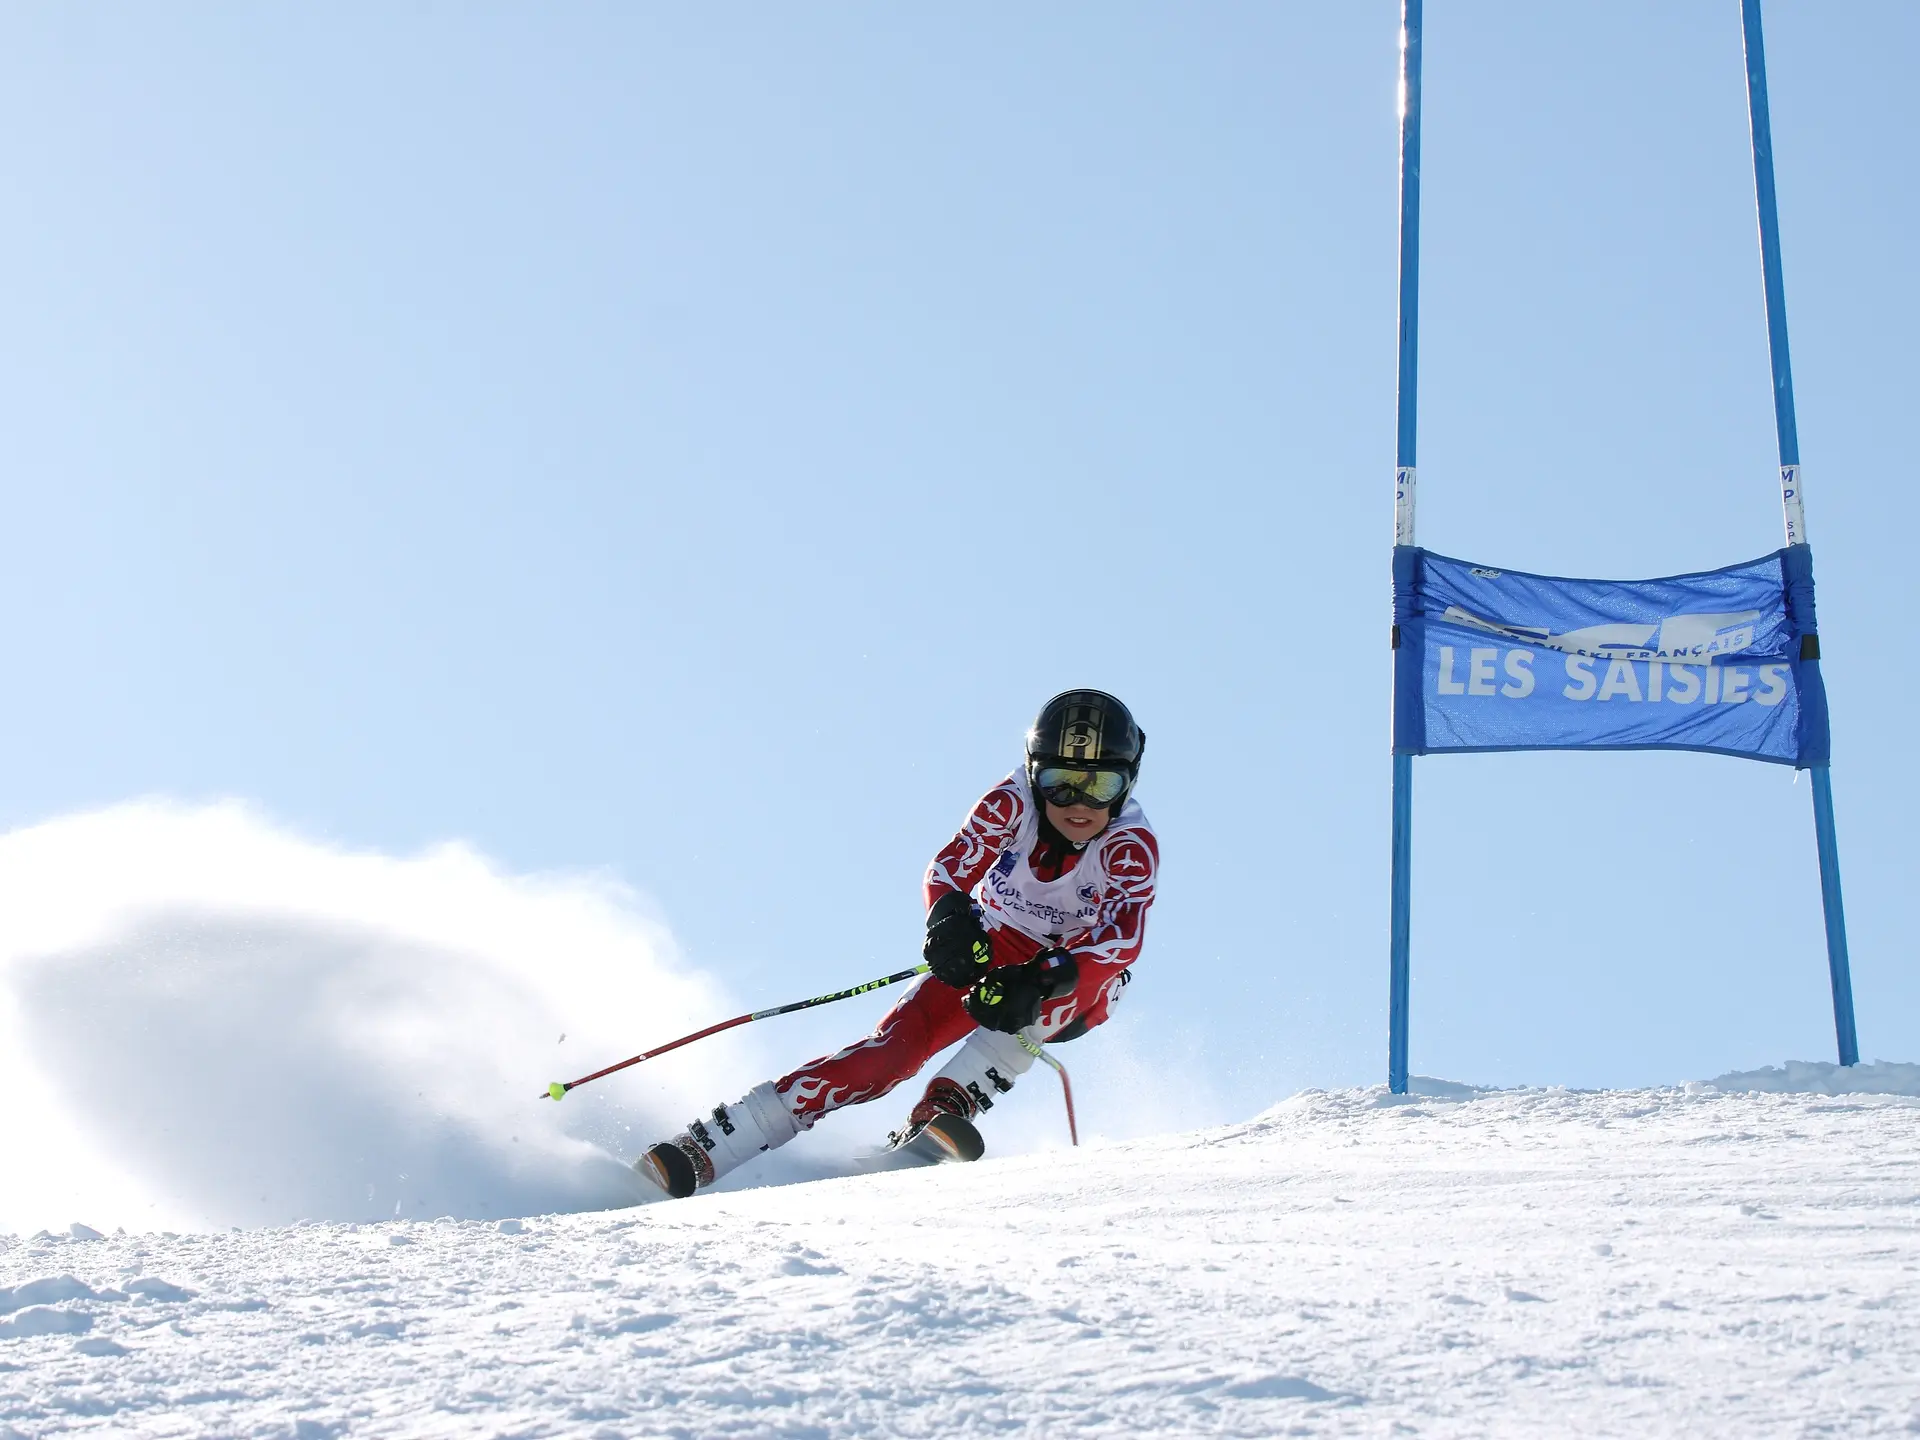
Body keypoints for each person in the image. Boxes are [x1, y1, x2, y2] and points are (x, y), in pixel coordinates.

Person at [636, 688, 1159, 1199]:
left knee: (1086, 990)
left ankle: (949, 1105)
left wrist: (1043, 977)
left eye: (1101, 786)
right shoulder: (1011, 803)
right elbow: (951, 866)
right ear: (1032, 771)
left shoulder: (1129, 846)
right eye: (1059, 781)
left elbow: (1122, 940)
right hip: (994, 942)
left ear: (1127, 783)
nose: (1079, 803)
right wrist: (950, 920)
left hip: (1071, 969)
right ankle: (713, 1144)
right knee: (884, 1061)